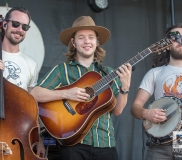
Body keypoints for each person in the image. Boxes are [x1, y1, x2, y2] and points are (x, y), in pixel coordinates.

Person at [31, 16, 132, 160]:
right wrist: (67, 94)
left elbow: (117, 110)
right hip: (73, 145)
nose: (87, 41)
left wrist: (125, 87)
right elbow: (34, 93)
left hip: (105, 143)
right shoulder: (62, 70)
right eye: (81, 37)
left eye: (91, 37)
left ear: (97, 42)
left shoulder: (108, 73)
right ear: (73, 43)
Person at [0, 7, 45, 157]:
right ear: (4, 25)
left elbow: (33, 105)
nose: (19, 29)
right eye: (15, 24)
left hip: (19, 134)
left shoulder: (31, 64)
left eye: (24, 26)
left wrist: (38, 138)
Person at [131, 23, 182, 160]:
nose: (180, 40)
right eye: (175, 36)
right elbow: (135, 108)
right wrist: (147, 113)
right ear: (166, 43)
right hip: (160, 142)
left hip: (181, 140)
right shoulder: (154, 73)